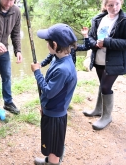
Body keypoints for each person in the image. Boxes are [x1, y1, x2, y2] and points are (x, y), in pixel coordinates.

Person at [82, 0, 126, 130]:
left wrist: (107, 42)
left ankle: (107, 116)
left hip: (115, 60)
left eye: (117, 4)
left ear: (121, 3)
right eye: (111, 5)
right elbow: (93, 37)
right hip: (99, 58)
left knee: (106, 87)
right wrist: (95, 43)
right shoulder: (98, 19)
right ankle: (98, 110)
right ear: (105, 6)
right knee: (102, 84)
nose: (114, 7)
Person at [31, 23, 78, 165]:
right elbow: (50, 57)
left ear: (55, 45)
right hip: (53, 110)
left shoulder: (63, 69)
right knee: (51, 142)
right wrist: (45, 107)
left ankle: (53, 162)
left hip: (55, 115)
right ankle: (50, 160)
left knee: (53, 145)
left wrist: (37, 72)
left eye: (47, 42)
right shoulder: (61, 56)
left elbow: (49, 91)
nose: (46, 45)